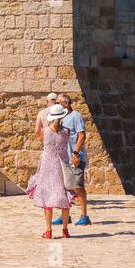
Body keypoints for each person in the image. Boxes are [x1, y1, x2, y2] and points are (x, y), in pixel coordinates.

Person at [27, 105, 72, 238]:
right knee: (64, 197)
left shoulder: (44, 131)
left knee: (47, 198)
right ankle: (65, 230)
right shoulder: (67, 132)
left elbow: (40, 137)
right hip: (62, 166)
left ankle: (48, 231)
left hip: (47, 165)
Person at [53, 93, 90, 227]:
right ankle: (65, 216)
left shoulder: (76, 116)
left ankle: (84, 216)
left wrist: (76, 153)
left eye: (59, 102)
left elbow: (81, 135)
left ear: (66, 104)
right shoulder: (60, 118)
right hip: (64, 157)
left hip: (75, 158)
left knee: (77, 187)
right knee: (64, 187)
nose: (56, 105)